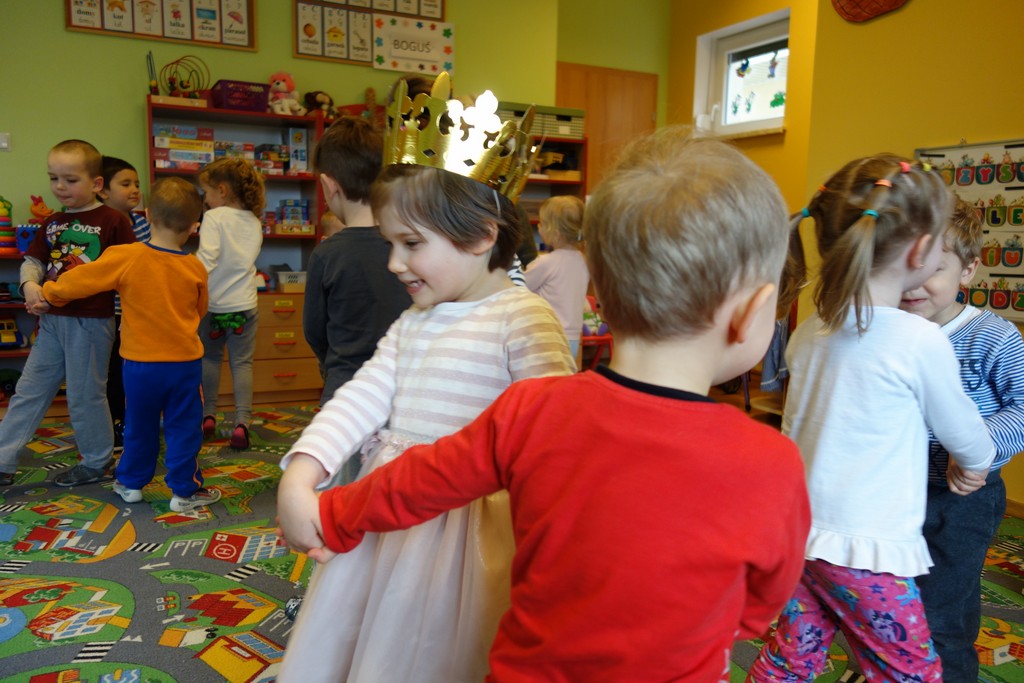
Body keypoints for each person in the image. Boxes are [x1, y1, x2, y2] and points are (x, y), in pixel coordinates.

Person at [284, 129, 811, 681]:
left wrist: (331, 514)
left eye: (411, 243)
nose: (396, 263)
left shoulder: (536, 407)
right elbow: (758, 607)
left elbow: (426, 477)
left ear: (602, 293)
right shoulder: (772, 462)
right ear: (752, 313)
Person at [276, 79, 576, 681]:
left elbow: (558, 440)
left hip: (475, 531)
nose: (394, 263)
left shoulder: (523, 317)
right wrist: (304, 470)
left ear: (483, 236)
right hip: (390, 513)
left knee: (450, 646)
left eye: (411, 244)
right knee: (377, 639)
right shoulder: (415, 320)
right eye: (390, 243)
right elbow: (363, 395)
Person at [748, 156, 998, 683]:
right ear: (922, 251)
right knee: (909, 671)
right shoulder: (918, 338)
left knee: (794, 656)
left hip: (800, 535)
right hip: (868, 552)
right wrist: (976, 462)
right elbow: (966, 436)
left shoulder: (812, 329)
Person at [898, 197, 1024, 681]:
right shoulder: (886, 330)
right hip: (895, 491)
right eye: (901, 265)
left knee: (939, 618)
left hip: (962, 499)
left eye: (932, 268)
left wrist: (974, 445)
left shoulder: (993, 337)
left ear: (967, 270)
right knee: (905, 600)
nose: (913, 283)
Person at [39, 177, 219, 512]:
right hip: (184, 365)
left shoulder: (127, 256)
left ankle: (131, 484)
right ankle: (184, 492)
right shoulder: (195, 267)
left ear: (148, 215)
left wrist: (50, 293)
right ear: (194, 226)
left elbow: (81, 280)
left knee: (139, 425)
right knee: (184, 428)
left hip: (140, 365)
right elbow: (200, 310)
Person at [0, 139, 136, 487]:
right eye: (53, 178)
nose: (60, 187)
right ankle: (2, 459)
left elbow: (128, 272)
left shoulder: (113, 221)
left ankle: (97, 462)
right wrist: (30, 286)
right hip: (51, 322)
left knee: (84, 395)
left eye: (70, 180)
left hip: (90, 323)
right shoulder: (53, 222)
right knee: (29, 389)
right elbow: (33, 261)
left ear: (96, 183)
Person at [303, 116, 411, 407]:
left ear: (329, 186)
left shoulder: (326, 254)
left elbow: (314, 331)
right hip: (403, 387)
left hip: (346, 390)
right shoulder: (410, 247)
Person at [195, 157, 265, 451]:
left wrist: (187, 276)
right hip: (244, 305)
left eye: (207, 192)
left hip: (214, 306)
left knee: (210, 359)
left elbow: (207, 258)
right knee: (242, 363)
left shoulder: (214, 217)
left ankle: (208, 416)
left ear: (222, 190)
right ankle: (242, 423)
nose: (205, 199)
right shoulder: (254, 220)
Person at [98, 156, 152, 452]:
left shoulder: (142, 224)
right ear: (103, 190)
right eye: (126, 184)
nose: (135, 190)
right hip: (108, 313)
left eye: (137, 184)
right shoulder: (101, 225)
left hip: (135, 312)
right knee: (109, 373)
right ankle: (111, 424)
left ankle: (126, 422)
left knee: (129, 370)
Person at [524, 195, 590, 360]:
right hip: (573, 339)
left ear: (556, 233)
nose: (538, 226)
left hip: (549, 336)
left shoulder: (546, 262)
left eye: (542, 223)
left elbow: (519, 287)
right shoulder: (584, 261)